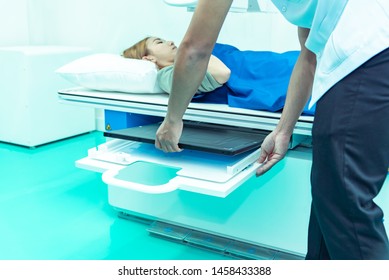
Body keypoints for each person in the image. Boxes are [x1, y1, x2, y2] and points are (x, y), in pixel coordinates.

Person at [154, 0, 389, 260]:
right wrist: (282, 131)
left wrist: (173, 119)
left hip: (369, 50)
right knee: (329, 197)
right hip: (362, 52)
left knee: (344, 202)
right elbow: (308, 56)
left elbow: (196, 49)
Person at [123, 36, 314, 114]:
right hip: (264, 79)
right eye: (159, 42)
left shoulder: (186, 58)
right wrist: (199, 48)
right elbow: (222, 73)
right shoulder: (166, 75)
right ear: (148, 58)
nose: (169, 41)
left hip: (265, 65)